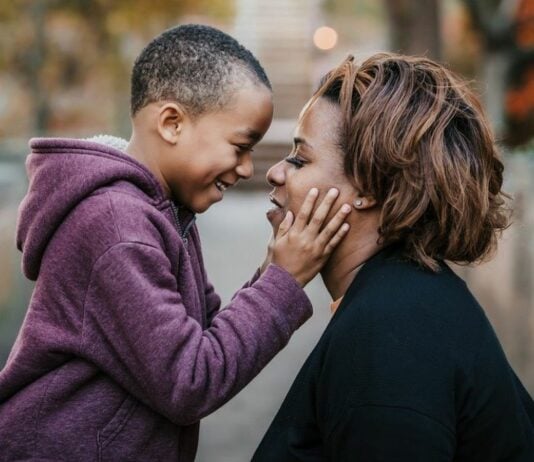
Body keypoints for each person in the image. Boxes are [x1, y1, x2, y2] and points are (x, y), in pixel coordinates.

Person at [0, 25, 352, 461]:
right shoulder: (117, 227)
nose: (246, 169)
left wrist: (269, 272)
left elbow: (202, 337)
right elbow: (189, 380)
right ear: (171, 123)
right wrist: (284, 280)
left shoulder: (162, 213)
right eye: (240, 146)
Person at [253, 53, 534, 461]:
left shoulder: (390, 335)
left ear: (369, 186)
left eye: (300, 158)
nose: (275, 173)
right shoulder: (404, 301)